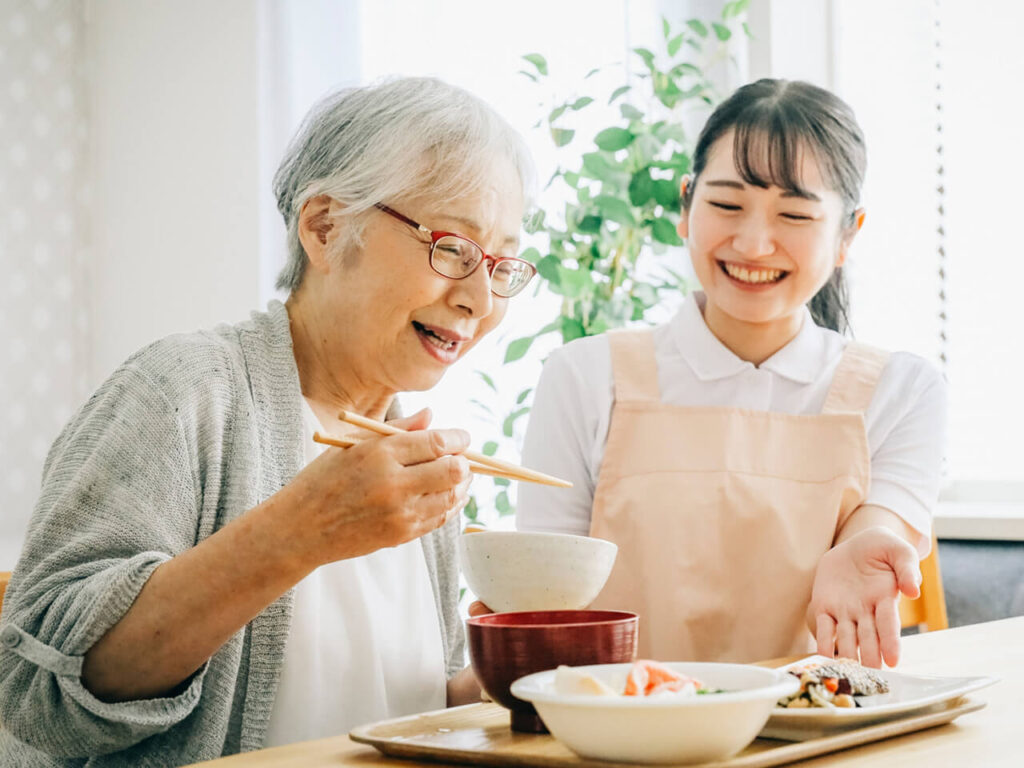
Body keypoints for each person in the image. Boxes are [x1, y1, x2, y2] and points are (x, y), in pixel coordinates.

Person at [0, 76, 537, 766]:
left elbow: (382, 704)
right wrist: (300, 533)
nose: (478, 299)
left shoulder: (410, 447)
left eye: (501, 265)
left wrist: (494, 687)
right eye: (453, 249)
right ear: (324, 226)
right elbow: (35, 694)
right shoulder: (183, 391)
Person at [516, 79, 945, 669]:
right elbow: (546, 601)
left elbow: (879, 525)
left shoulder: (904, 389)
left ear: (849, 233)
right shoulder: (583, 377)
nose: (753, 242)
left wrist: (865, 547)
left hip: (815, 737)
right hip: (619, 737)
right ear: (686, 206)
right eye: (726, 204)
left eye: (794, 214)